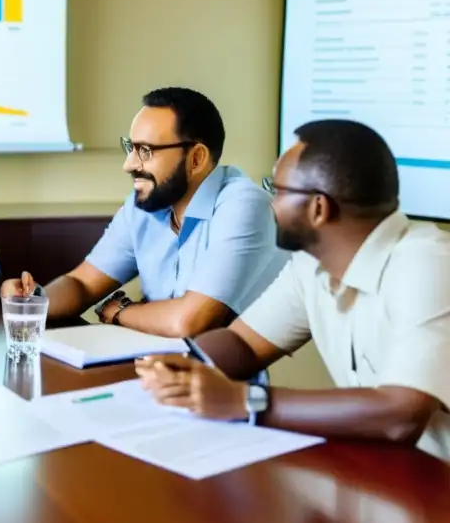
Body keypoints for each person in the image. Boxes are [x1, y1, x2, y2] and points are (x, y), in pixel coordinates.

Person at [137, 119, 450, 460]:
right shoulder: (312, 264)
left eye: (280, 191)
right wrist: (180, 362)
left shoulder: (429, 265)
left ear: (318, 208)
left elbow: (399, 414)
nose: (271, 204)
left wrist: (244, 401)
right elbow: (243, 343)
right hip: (396, 473)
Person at [2, 87, 288, 337]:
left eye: (146, 150)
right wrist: (32, 301)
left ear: (197, 158)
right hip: (147, 367)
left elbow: (191, 321)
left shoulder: (244, 205)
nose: (129, 164)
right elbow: (82, 284)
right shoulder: (144, 204)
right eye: (131, 147)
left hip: (222, 384)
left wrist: (121, 312)